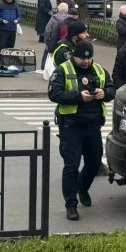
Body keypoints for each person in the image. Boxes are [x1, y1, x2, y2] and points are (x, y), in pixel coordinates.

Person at [48, 40, 116, 221]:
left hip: (93, 126)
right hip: (71, 126)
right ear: (74, 56)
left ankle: (82, 187)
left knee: (94, 163)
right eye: (82, 59)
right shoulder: (63, 70)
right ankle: (71, 205)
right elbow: (54, 93)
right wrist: (78, 97)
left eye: (89, 58)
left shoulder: (99, 70)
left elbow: (112, 89)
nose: (86, 62)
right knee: (71, 166)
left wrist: (104, 93)